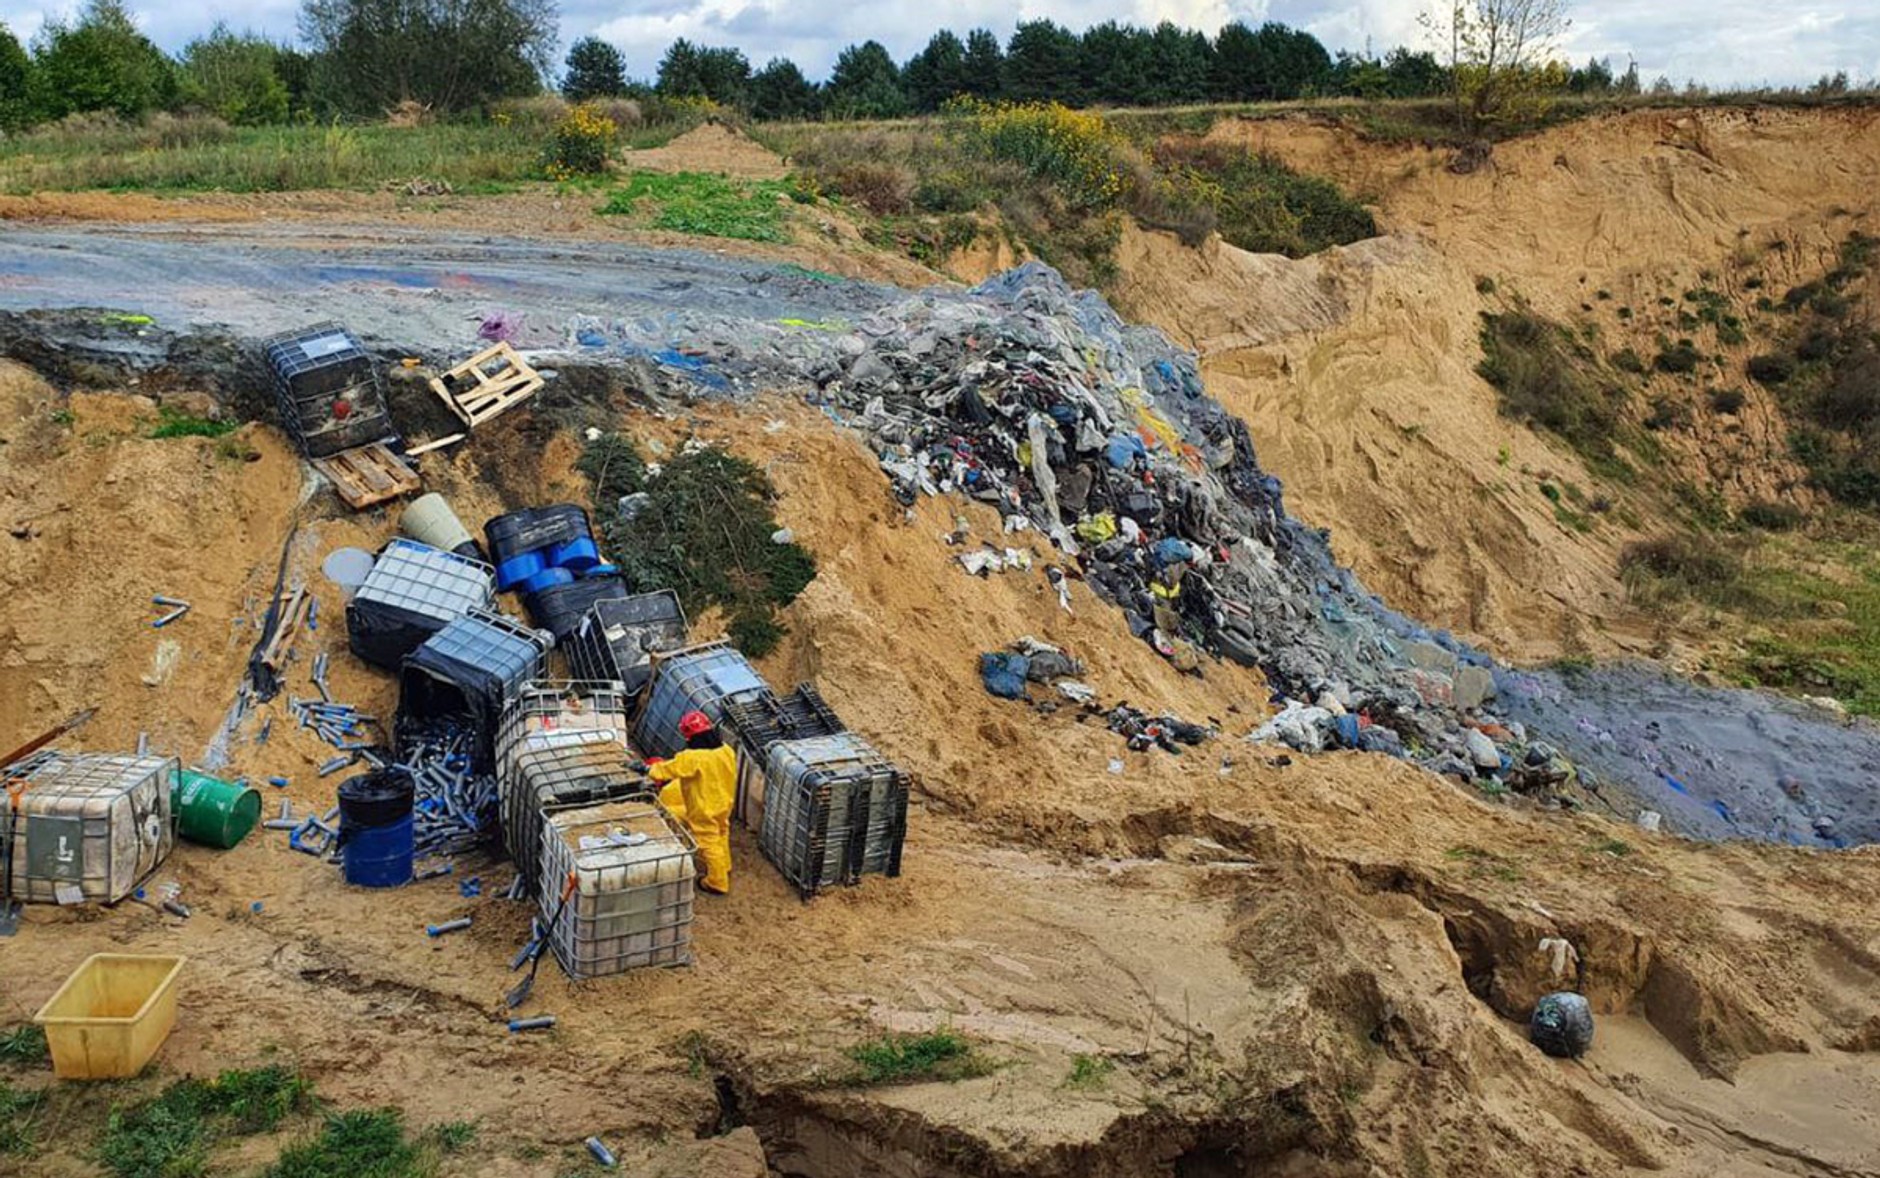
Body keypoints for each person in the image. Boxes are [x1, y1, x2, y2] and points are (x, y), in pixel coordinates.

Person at [640, 710, 735, 895]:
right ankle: (725, 866)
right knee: (722, 832)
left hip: (703, 807)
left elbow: (667, 770)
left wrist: (645, 768)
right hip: (724, 802)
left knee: (708, 842)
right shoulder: (726, 750)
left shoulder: (692, 758)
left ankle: (717, 882)